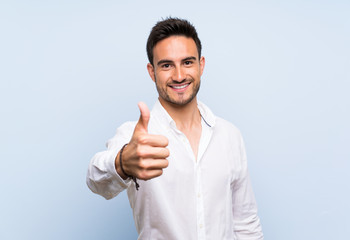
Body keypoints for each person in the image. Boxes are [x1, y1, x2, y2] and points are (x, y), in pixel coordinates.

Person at [86, 17, 263, 239]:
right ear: (152, 72)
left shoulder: (230, 135)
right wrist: (122, 163)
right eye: (167, 65)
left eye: (187, 62)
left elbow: (246, 223)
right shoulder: (136, 138)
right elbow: (95, 179)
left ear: (201, 65)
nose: (179, 76)